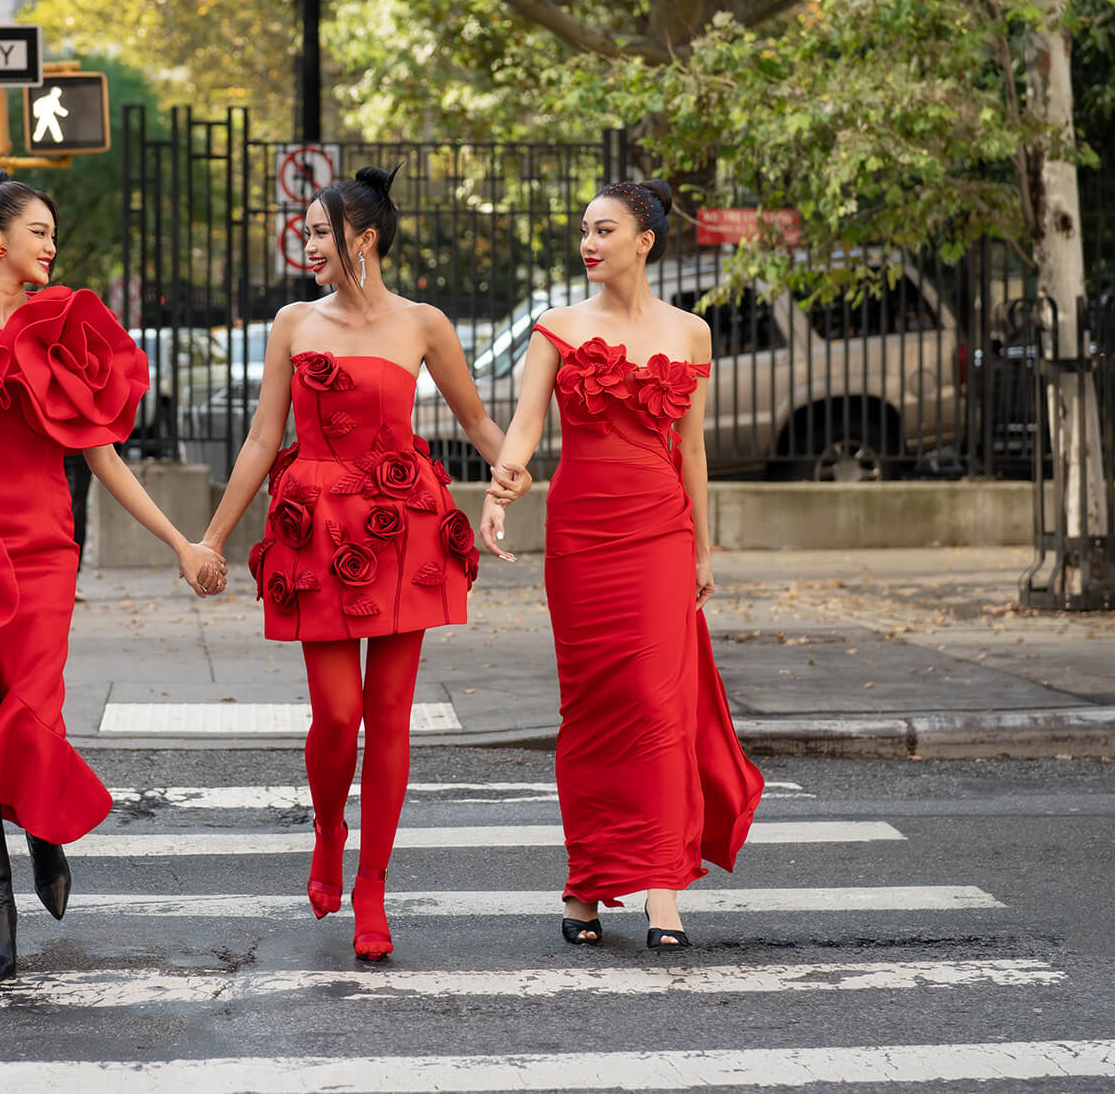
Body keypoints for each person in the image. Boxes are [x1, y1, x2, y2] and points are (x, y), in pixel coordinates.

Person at [0, 167, 227, 984]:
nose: (53, 245)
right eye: (40, 232)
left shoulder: (60, 329)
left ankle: (45, 831)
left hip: (46, 552)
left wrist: (180, 543)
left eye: (54, 234)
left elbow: (106, 460)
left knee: (30, 713)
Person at [199, 165, 505, 961]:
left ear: (363, 239)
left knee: (390, 716)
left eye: (319, 232)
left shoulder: (425, 324)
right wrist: (212, 538)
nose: (307, 244)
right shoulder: (293, 324)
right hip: (317, 532)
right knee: (338, 715)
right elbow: (264, 440)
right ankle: (329, 830)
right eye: (305, 233)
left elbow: (476, 421)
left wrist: (514, 470)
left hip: (405, 527)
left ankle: (373, 884)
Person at [481, 179, 764, 952]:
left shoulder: (692, 333)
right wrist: (501, 487)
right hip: (582, 535)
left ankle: (662, 891)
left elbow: (694, 450)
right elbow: (526, 427)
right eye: (584, 229)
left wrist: (704, 548)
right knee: (594, 708)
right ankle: (586, 878)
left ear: (645, 241)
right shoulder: (555, 328)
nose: (590, 241)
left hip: (661, 532)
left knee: (657, 703)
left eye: (605, 229)